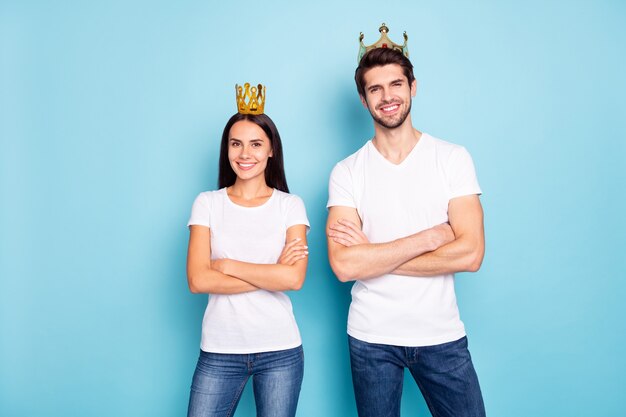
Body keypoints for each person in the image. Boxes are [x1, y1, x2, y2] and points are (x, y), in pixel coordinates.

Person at [326, 26, 486, 417]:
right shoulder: (347, 172)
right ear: (363, 100)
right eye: (375, 89)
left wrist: (374, 257)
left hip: (442, 335)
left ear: (413, 87)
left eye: (396, 84)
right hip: (371, 338)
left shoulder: (452, 158)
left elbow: (470, 254)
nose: (387, 97)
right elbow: (345, 266)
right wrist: (432, 236)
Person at [186, 83, 309, 417]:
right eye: (236, 143)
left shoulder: (290, 206)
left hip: (280, 350)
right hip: (219, 350)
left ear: (271, 150)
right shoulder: (208, 203)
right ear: (226, 149)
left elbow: (294, 279)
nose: (245, 154)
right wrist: (272, 275)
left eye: (256, 144)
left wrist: (225, 265)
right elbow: (198, 280)